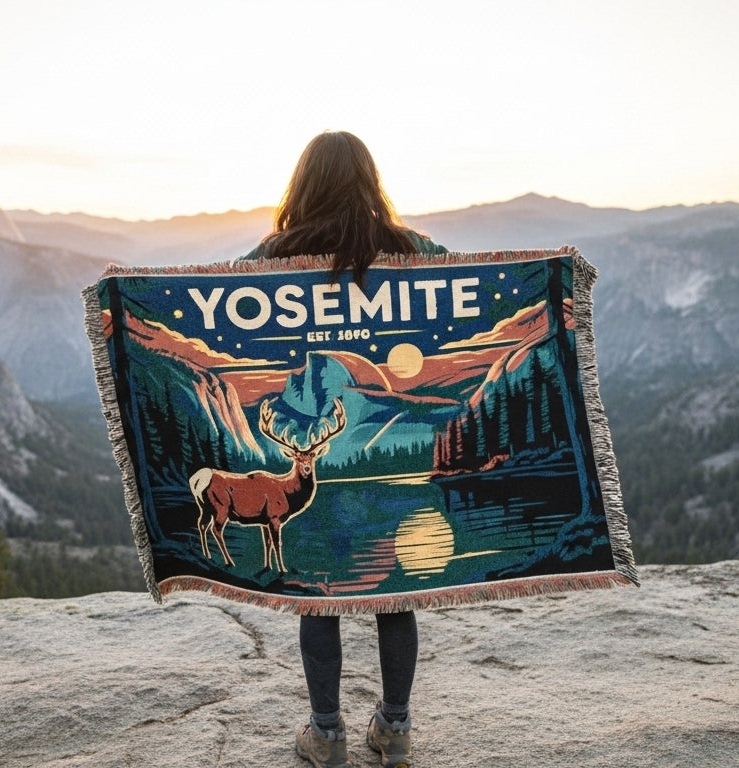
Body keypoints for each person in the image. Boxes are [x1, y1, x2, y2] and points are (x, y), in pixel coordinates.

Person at [240, 130, 445, 768]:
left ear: (303, 186)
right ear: (369, 181)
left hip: (324, 475)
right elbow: (475, 281)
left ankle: (326, 734)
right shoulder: (411, 251)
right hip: (398, 468)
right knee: (394, 591)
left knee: (319, 594)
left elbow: (205, 297)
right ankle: (396, 728)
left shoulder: (273, 256)